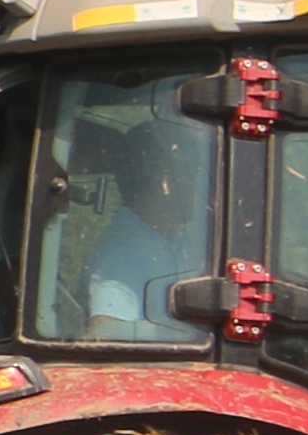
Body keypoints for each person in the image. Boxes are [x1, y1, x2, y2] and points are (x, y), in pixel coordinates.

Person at [62, 111, 207, 337]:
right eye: (193, 174)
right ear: (165, 182)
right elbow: (105, 332)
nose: (198, 188)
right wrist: (183, 335)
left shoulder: (179, 239)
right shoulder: (127, 252)